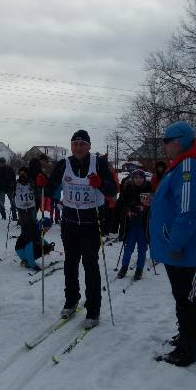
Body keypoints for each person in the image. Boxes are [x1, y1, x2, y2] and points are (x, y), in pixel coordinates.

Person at [150, 121, 196, 366]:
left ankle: (188, 350)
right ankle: (185, 338)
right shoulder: (180, 166)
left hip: (188, 250)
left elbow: (189, 211)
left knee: (189, 298)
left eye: (165, 142)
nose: (164, 147)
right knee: (182, 297)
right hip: (180, 247)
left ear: (176, 142)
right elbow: (178, 203)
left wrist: (175, 244)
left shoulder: (189, 166)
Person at [38, 130, 118, 329]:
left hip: (92, 223)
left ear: (89, 146)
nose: (79, 147)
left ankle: (93, 308)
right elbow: (51, 189)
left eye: (83, 144)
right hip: (70, 222)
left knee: (90, 265)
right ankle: (72, 300)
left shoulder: (98, 163)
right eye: (75, 144)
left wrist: (100, 183)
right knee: (70, 264)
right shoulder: (63, 164)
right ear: (71, 146)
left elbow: (113, 191)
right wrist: (41, 183)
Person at [115, 169, 153, 281]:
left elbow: (154, 205)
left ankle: (139, 269)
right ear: (132, 178)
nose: (138, 180)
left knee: (142, 249)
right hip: (130, 224)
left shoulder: (149, 189)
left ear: (144, 178)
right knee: (128, 248)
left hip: (143, 225)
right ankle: (124, 267)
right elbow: (121, 205)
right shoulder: (127, 189)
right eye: (136, 177)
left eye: (140, 177)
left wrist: (144, 208)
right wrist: (128, 209)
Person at [0, 157, 17, 222]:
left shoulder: (9, 169)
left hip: (10, 188)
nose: (2, 164)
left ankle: (14, 216)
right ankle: (3, 216)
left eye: (3, 162)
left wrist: (14, 187)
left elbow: (14, 178)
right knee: (1, 203)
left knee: (13, 203)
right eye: (1, 163)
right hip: (1, 189)